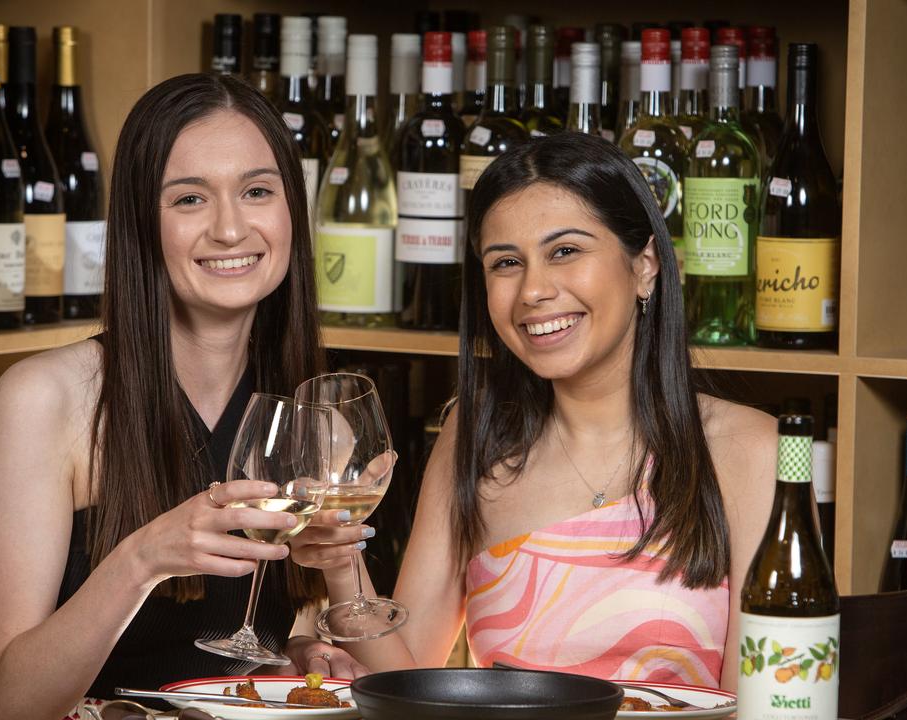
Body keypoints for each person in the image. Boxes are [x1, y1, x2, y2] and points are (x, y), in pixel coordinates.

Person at [291, 132, 776, 690]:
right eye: (506, 263)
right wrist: (341, 565)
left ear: (644, 265)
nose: (533, 291)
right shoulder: (474, 438)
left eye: (565, 251)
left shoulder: (749, 450)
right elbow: (414, 684)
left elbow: (763, 701)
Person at [0, 74, 365, 720]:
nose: (231, 229)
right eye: (189, 200)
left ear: (292, 210)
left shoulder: (315, 425)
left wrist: (294, 654)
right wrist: (144, 557)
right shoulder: (42, 402)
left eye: (258, 191)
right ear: (140, 222)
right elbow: (11, 705)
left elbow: (283, 649)